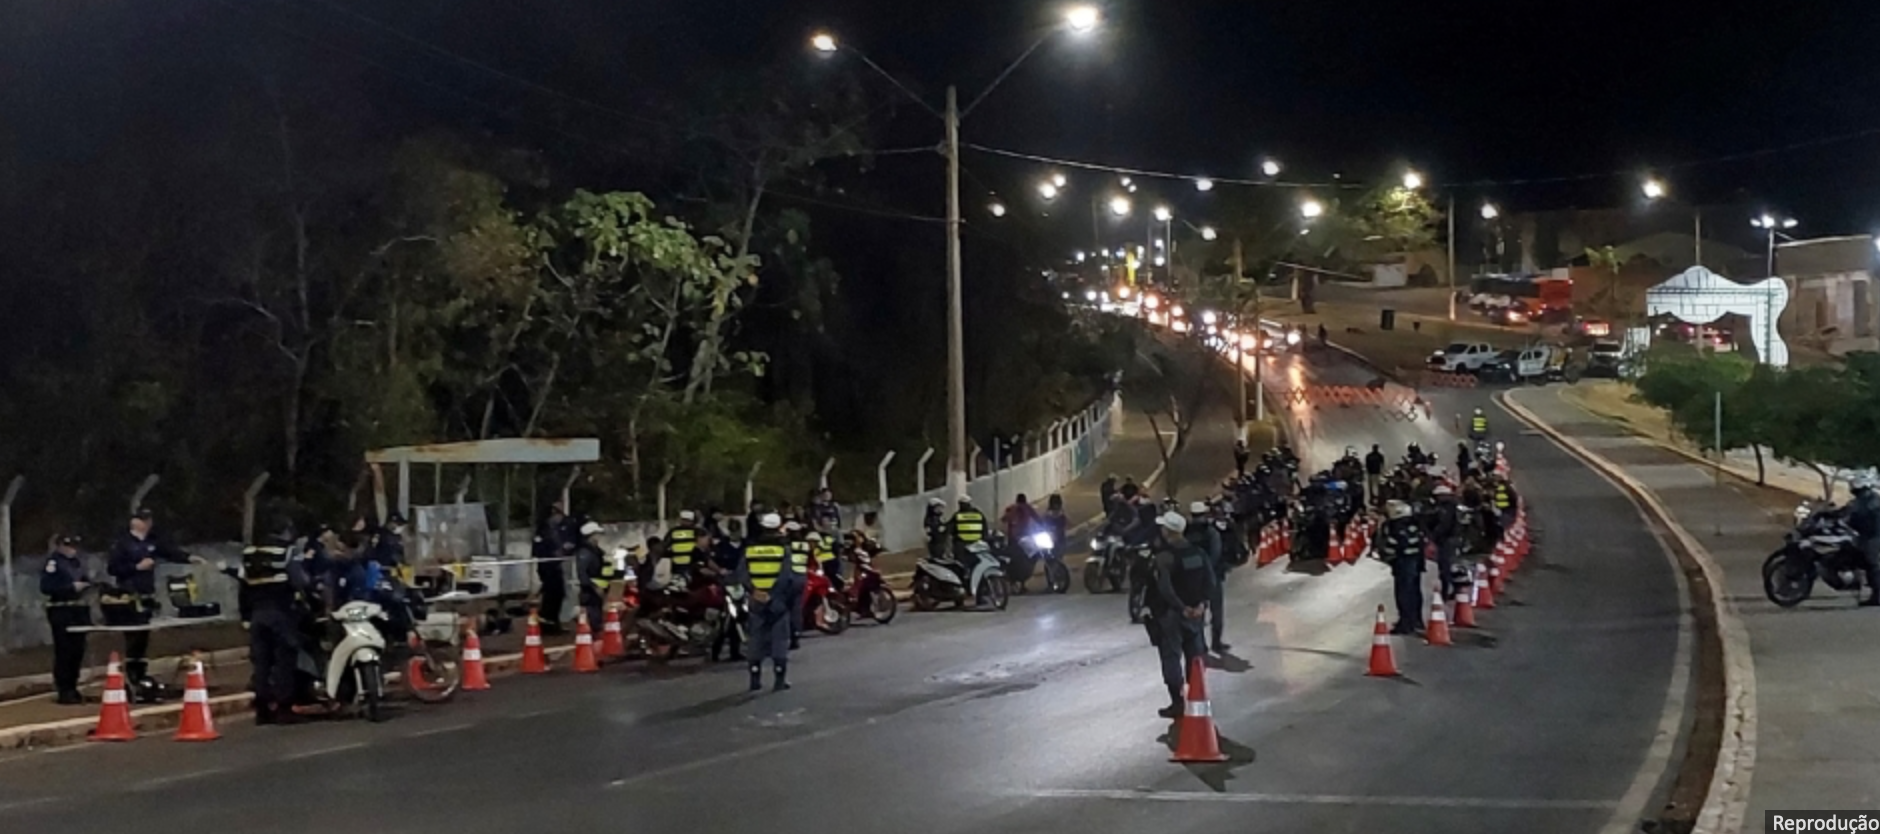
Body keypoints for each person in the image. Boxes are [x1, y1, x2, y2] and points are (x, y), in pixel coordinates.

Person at [105, 508, 200, 697]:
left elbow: (169, 552)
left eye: (148, 519)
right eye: (142, 520)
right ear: (134, 522)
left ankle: (141, 674)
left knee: (143, 638)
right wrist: (136, 567)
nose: (147, 523)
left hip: (147, 594)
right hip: (129, 596)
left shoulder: (151, 541)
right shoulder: (122, 544)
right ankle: (133, 675)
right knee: (133, 637)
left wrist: (189, 558)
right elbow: (113, 568)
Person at [237, 521, 311, 725]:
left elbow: (243, 585)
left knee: (262, 662)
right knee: (284, 660)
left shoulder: (249, 552)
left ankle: (262, 709)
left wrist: (245, 615)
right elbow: (300, 580)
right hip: (281, 611)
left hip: (257, 612)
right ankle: (284, 708)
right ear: (285, 532)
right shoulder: (286, 551)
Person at [1148, 512, 1214, 718]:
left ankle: (1177, 703)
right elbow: (1210, 581)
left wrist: (1182, 608)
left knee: (1171, 659)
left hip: (1172, 616)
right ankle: (1195, 699)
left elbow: (1165, 588)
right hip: (1196, 615)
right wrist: (1201, 604)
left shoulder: (1164, 557)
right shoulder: (1199, 553)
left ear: (1168, 531)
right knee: (1195, 659)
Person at [740, 513, 797, 691]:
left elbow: (742, 574)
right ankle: (779, 679)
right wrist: (773, 595)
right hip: (777, 601)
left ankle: (754, 678)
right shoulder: (783, 550)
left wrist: (754, 591)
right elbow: (786, 577)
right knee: (779, 640)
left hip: (756, 601)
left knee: (756, 639)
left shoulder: (750, 549)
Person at [41, 534, 92, 705]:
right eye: (68, 546)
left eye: (74, 546)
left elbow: (85, 579)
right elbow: (46, 587)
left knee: (78, 650)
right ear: (60, 546)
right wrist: (70, 587)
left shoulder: (77, 563)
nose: (72, 549)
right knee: (65, 650)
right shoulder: (53, 563)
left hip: (78, 609)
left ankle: (73, 685)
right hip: (61, 609)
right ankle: (64, 688)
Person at [1377, 500, 1429, 635]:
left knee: (1404, 594)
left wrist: (1386, 556)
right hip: (1416, 562)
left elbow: (1392, 545)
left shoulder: (1396, 527)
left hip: (1403, 563)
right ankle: (1416, 621)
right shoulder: (1415, 525)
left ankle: (1406, 624)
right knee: (1415, 592)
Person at [1186, 501, 1229, 653]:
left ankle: (1201, 645)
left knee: (1198, 612)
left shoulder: (1187, 532)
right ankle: (1216, 643)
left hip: (1194, 578)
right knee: (1216, 611)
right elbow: (1216, 553)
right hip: (1213, 576)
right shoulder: (1211, 532)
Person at [532, 505, 571, 634]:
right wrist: (552, 553)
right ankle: (547, 623)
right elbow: (538, 550)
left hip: (555, 565)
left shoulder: (556, 530)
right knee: (551, 595)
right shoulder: (544, 531)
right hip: (548, 566)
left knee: (558, 594)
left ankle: (553, 622)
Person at [574, 521, 616, 629]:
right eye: (597, 534)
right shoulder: (585, 552)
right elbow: (582, 573)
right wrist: (594, 587)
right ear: (591, 535)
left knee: (597, 617)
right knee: (593, 618)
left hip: (597, 589)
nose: (599, 537)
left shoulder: (595, 551)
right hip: (589, 591)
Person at [1849, 474, 1880, 607]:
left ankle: (1878, 595)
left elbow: (1868, 517)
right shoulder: (1860, 500)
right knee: (1862, 561)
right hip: (1864, 534)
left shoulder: (1873, 500)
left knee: (1871, 563)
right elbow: (1849, 512)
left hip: (1874, 535)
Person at [1427, 484, 1461, 600]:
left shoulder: (1447, 509)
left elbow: (1444, 525)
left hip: (1446, 540)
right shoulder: (1451, 507)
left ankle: (1447, 591)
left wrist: (1433, 536)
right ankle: (1451, 589)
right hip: (1449, 539)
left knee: (1445, 566)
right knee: (1447, 565)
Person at [668, 509, 704, 582]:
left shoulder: (674, 531)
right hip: (682, 565)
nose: (685, 522)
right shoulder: (696, 531)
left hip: (687, 565)